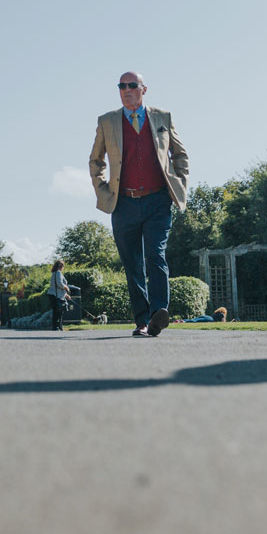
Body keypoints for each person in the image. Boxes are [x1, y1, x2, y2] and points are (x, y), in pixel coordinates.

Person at [89, 71, 190, 337]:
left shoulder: (162, 117)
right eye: (121, 86)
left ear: (144, 89)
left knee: (155, 255)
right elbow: (96, 160)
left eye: (132, 85)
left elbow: (180, 155)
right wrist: (102, 190)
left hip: (158, 199)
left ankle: (159, 312)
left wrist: (178, 184)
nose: (126, 90)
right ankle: (142, 321)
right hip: (123, 202)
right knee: (132, 263)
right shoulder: (107, 121)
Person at [47, 260, 72, 331]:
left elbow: (57, 287)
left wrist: (66, 295)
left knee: (56, 311)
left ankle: (58, 326)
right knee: (58, 311)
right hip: (56, 296)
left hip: (54, 294)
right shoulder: (58, 273)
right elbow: (59, 284)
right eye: (61, 266)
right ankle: (57, 327)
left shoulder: (54, 273)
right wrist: (66, 287)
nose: (62, 267)